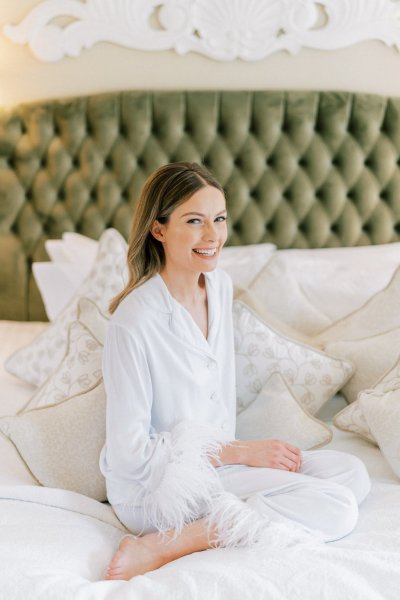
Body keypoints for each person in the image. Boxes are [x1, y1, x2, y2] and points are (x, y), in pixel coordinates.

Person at [99, 161, 371, 581]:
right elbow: (129, 456)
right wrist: (240, 453)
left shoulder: (219, 287)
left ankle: (232, 516)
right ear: (159, 230)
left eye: (220, 220)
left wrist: (237, 458)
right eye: (194, 221)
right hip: (158, 489)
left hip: (218, 468)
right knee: (338, 507)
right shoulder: (132, 322)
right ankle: (171, 542)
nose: (213, 236)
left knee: (352, 475)